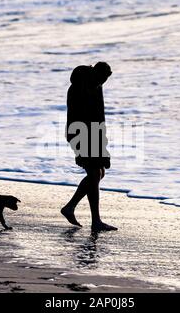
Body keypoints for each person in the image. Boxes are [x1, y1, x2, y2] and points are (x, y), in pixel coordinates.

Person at [61, 62, 117, 232]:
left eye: (105, 79)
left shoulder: (97, 85)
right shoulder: (77, 87)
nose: (103, 82)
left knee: (99, 173)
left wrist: (103, 147)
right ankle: (94, 220)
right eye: (101, 78)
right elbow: (76, 116)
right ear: (94, 73)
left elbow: (100, 117)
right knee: (94, 173)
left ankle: (72, 209)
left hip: (94, 133)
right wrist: (79, 147)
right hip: (79, 132)